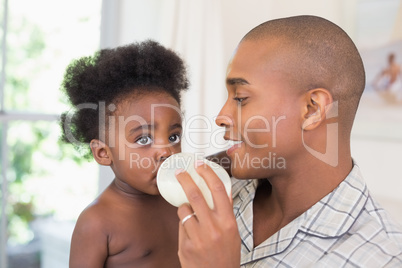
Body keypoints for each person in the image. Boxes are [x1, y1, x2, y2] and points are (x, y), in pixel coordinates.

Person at [175, 15, 402, 267]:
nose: (220, 117)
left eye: (240, 98)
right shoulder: (219, 191)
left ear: (312, 109)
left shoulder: (383, 258)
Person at [60, 40, 188, 267]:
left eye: (173, 137)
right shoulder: (97, 222)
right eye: (143, 139)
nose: (166, 151)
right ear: (102, 153)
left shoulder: (179, 198)